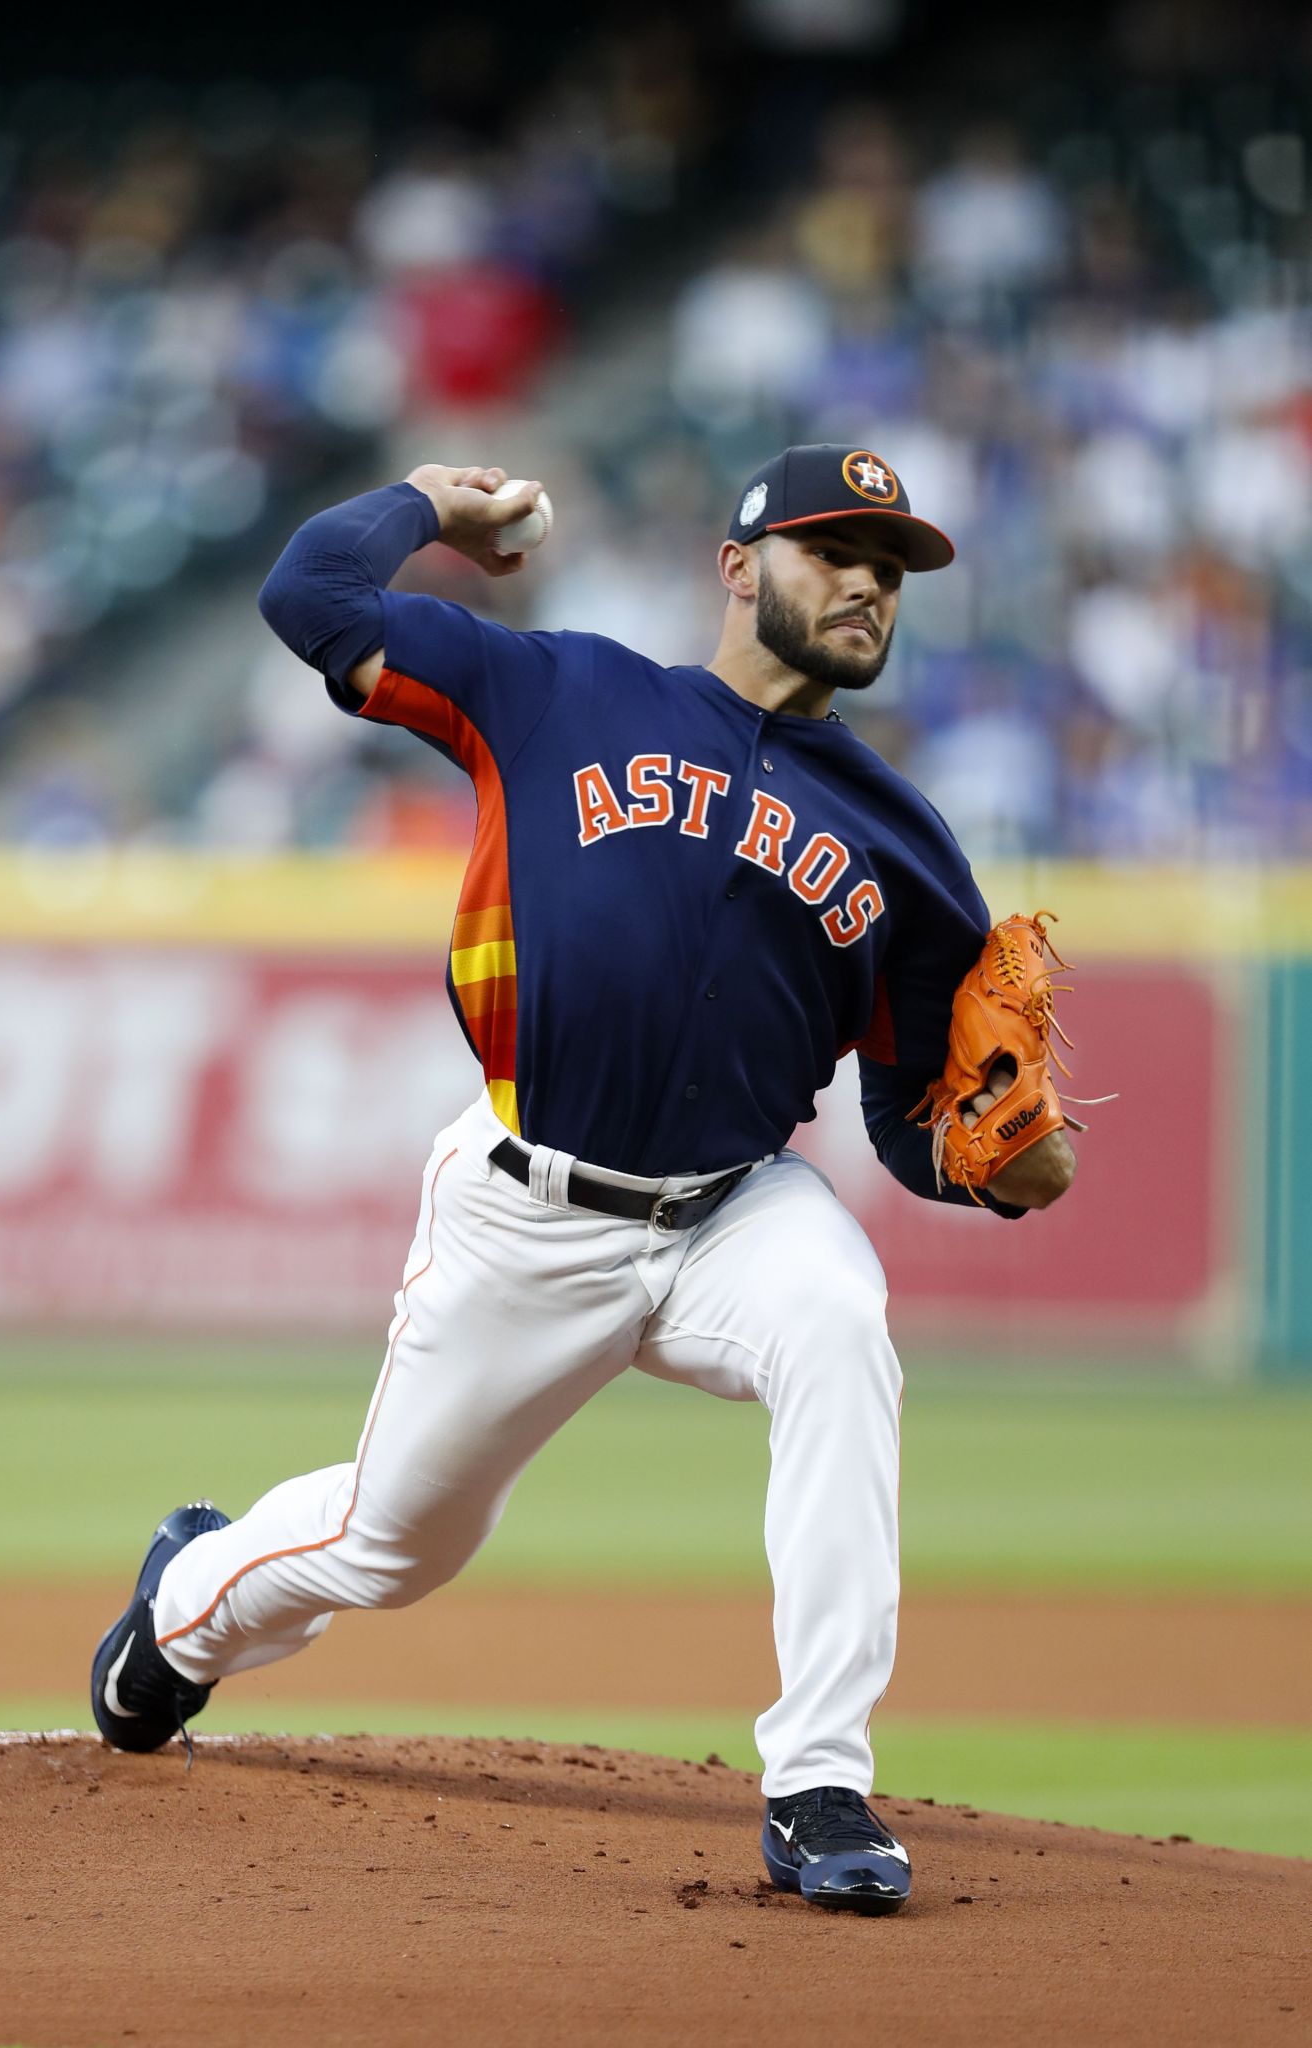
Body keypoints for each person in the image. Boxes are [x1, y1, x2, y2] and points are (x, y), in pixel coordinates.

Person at [91, 444, 1075, 1914]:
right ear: (739, 569)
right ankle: (181, 1613)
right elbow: (311, 594)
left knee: (839, 1330)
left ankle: (817, 1785)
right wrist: (430, 502)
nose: (868, 580)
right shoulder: (561, 690)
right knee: (390, 1547)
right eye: (832, 549)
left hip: (738, 1208)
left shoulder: (906, 845)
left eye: (890, 563)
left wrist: (1008, 1163)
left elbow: (912, 1123)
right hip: (525, 1210)